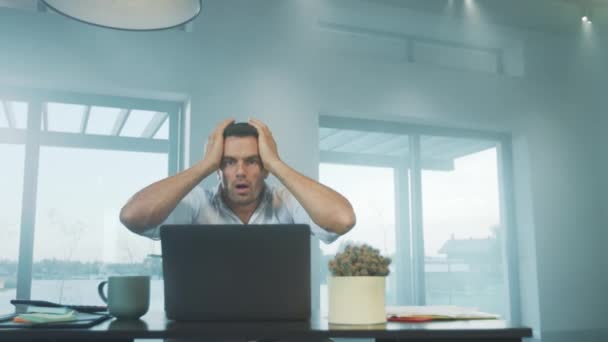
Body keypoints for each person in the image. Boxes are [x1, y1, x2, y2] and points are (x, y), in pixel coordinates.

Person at [120, 118, 356, 243]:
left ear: (264, 169)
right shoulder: (197, 203)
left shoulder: (285, 203)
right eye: (229, 162)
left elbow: (342, 219)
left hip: (279, 328)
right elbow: (133, 217)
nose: (240, 171)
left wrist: (276, 164)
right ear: (218, 168)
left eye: (252, 161)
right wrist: (204, 166)